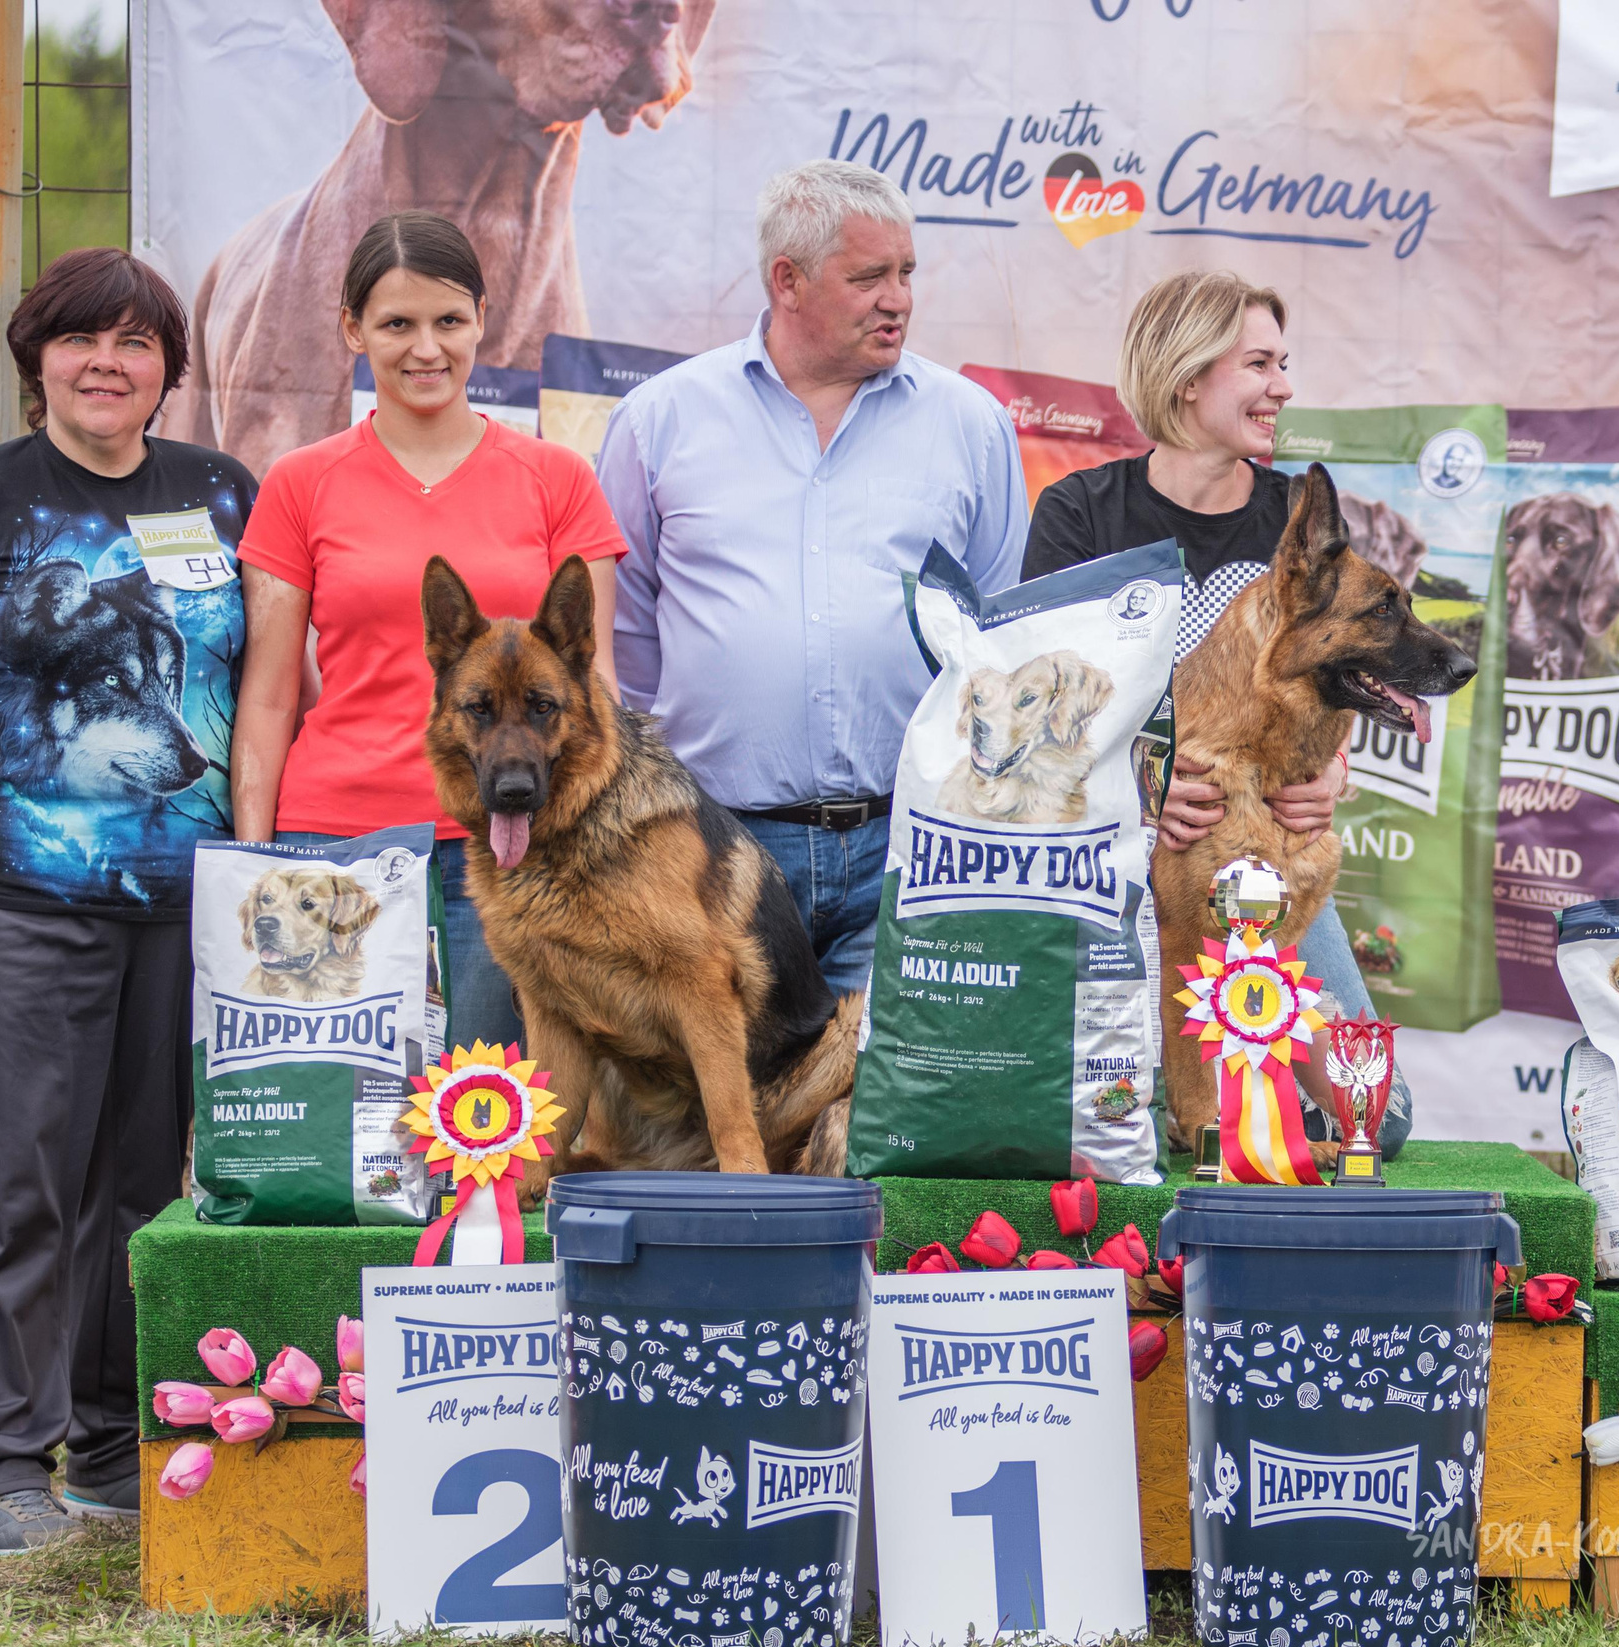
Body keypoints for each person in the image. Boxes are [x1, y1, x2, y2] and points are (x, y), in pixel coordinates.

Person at [0, 248, 257, 1552]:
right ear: (38, 358)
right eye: (82, 340)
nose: (109, 363)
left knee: (141, 1189)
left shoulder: (218, 495)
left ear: (167, 369)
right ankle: (1, 1469)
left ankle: (106, 1445)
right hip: (20, 902)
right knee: (18, 1188)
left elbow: (259, 690)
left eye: (137, 344)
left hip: (183, 910)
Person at [598, 160, 1027, 990]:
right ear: (786, 281)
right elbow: (625, 636)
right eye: (868, 276)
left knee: (875, 1107)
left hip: (910, 844)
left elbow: (998, 634)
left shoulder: (971, 424)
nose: (897, 298)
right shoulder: (660, 419)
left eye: (905, 273)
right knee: (717, 1107)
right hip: (713, 844)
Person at [1020, 269, 1410, 1154]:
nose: (1284, 387)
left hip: (1262, 862)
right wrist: (1143, 794)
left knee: (1378, 1121)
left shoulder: (1294, 518)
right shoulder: (1080, 515)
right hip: (1110, 866)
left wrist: (1332, 773)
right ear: (1189, 374)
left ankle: (1256, 1149)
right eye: (1261, 364)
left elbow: (1347, 667)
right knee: (1097, 1115)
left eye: (1285, 363)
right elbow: (1039, 716)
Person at [231, 212, 629, 1053]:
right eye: (396, 324)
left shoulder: (559, 479)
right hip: (335, 852)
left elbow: (599, 690)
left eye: (449, 321)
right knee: (341, 1139)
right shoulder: (300, 484)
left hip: (512, 853)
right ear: (352, 330)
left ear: (483, 318)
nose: (426, 348)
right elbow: (268, 697)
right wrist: (257, 858)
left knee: (479, 1132)